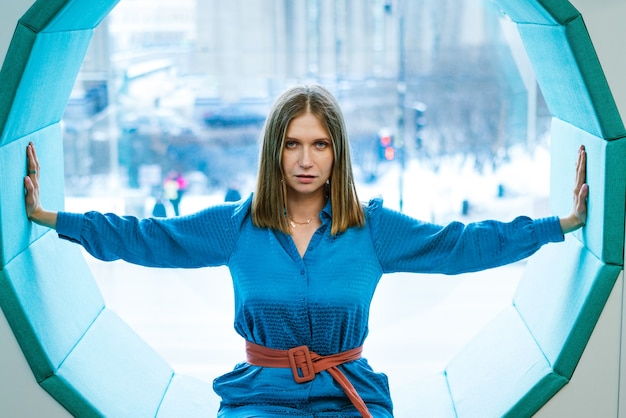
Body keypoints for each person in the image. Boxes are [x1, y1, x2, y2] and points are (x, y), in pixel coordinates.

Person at [23, 85, 588, 417]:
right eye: (292, 143)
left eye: (319, 144)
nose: (305, 159)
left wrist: (557, 225)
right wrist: (53, 217)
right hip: (259, 401)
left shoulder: (373, 230)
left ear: (337, 153)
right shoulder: (234, 226)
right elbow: (143, 237)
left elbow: (463, 246)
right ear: (275, 150)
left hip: (350, 398)